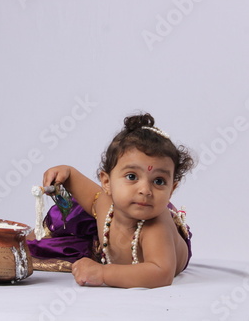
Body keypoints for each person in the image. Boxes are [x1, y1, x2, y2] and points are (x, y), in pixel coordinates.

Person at [27, 112, 194, 288]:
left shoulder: (156, 227)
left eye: (159, 181)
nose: (145, 190)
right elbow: (89, 195)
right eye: (132, 176)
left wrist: (103, 273)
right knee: (70, 220)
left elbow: (161, 273)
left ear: (171, 190)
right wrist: (66, 172)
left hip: (164, 251)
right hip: (115, 230)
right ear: (106, 182)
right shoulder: (104, 203)